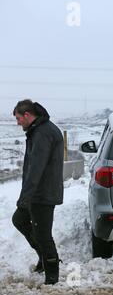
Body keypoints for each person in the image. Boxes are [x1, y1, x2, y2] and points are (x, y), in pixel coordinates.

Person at [12, 99, 64, 285]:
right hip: (38, 192)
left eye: (18, 118)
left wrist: (25, 198)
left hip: (44, 193)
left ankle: (52, 274)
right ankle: (43, 257)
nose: (18, 123)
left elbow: (36, 168)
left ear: (27, 115)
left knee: (43, 234)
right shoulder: (39, 130)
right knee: (19, 220)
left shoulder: (43, 132)